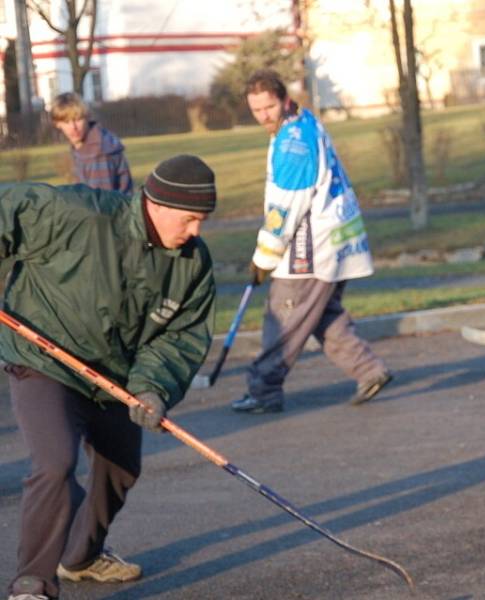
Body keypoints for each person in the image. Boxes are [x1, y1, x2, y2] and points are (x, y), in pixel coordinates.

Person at [1, 155, 217, 600]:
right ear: (156, 204)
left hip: (115, 376)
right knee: (56, 462)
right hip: (43, 358)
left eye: (202, 220)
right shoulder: (80, 215)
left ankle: (80, 556)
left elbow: (180, 336)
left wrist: (153, 387)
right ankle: (33, 582)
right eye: (191, 218)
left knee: (121, 466)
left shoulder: (192, 263)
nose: (196, 231)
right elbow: (8, 209)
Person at [231, 69, 392, 414]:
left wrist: (264, 258)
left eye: (268, 108)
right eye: (256, 110)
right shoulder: (301, 122)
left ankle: (264, 390)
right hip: (335, 244)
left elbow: (284, 210)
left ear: (284, 100)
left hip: (309, 251)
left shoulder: (294, 144)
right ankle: (369, 370)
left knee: (283, 318)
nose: (263, 116)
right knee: (322, 316)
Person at [51, 92, 133, 194]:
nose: (73, 127)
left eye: (77, 119)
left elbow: (101, 204)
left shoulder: (97, 151)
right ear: (57, 124)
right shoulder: (83, 145)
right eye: (66, 121)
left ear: (87, 117)